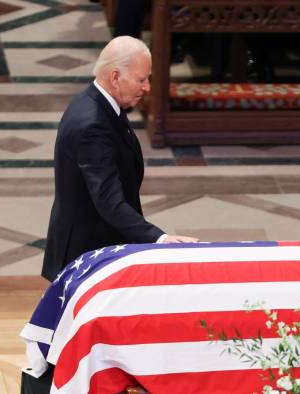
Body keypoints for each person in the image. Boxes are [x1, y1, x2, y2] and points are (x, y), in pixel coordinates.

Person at [42, 36, 198, 281]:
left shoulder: (99, 103)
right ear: (115, 77)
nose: (147, 87)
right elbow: (108, 199)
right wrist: (160, 239)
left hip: (101, 240)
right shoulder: (93, 124)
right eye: (141, 79)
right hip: (86, 251)